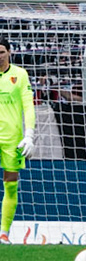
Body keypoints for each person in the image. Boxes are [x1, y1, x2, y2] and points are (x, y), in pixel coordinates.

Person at [0, 36, 32, 242]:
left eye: (2, 52)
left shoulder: (20, 75)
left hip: (12, 140)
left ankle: (4, 233)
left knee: (11, 185)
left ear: (9, 52)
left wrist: (29, 134)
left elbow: (28, 106)